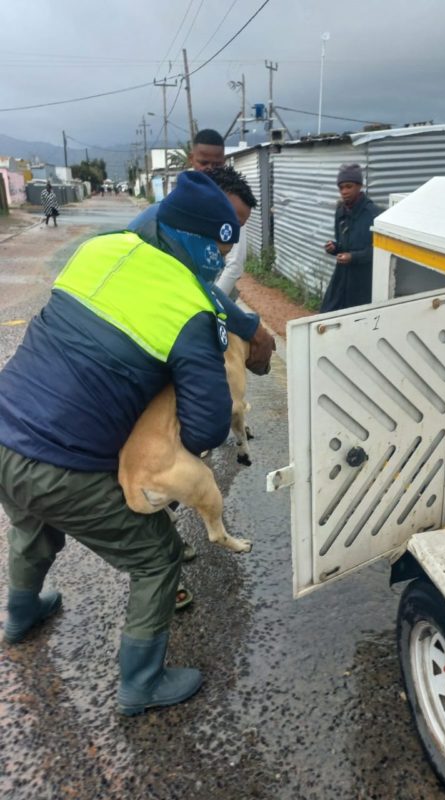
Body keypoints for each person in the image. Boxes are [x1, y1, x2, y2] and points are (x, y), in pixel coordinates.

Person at [0, 171, 243, 716]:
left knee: (33, 522)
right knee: (156, 557)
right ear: (200, 242)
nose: (222, 259)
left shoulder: (98, 249)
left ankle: (21, 613)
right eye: (220, 247)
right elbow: (207, 428)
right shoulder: (191, 308)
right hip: (64, 463)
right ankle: (141, 684)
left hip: (3, 429)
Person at [128, 164, 264, 611]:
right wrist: (246, 325)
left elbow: (205, 287)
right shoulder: (158, 234)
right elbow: (200, 296)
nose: (228, 244)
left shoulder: (182, 234)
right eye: (229, 226)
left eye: (238, 231)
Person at [190, 128, 249, 299]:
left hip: (215, 298)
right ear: (192, 159)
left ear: (224, 161)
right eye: (203, 163)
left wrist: (210, 304)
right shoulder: (179, 199)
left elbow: (235, 264)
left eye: (216, 165)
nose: (210, 170)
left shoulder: (230, 201)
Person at [321, 163, 382, 312]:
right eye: (341, 188)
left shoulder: (373, 214)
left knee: (356, 319)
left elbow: (379, 251)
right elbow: (344, 245)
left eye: (349, 186)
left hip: (362, 283)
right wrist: (335, 248)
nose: (344, 191)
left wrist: (353, 257)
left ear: (359, 186)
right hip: (341, 279)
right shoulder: (341, 211)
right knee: (328, 315)